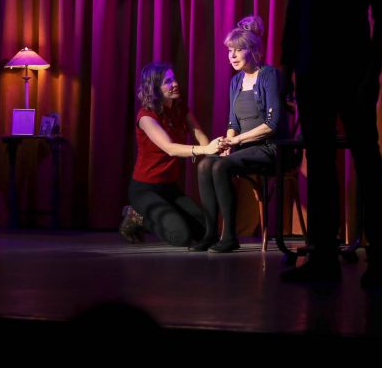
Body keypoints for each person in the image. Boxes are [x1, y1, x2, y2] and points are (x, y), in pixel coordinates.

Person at [280, 0, 382, 289]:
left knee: (366, 159)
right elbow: (294, 15)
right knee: (326, 163)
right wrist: (287, 70)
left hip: (349, 71)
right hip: (315, 72)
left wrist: (371, 72)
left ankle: (377, 258)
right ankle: (325, 256)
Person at [191, 16, 286, 253]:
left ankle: (230, 236)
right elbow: (233, 121)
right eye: (229, 50)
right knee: (205, 164)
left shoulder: (269, 75)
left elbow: (272, 124)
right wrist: (227, 144)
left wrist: (236, 140)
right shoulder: (236, 81)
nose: (232, 56)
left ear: (253, 51)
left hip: (270, 148)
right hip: (244, 148)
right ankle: (210, 233)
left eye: (238, 50)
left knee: (220, 167)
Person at [121, 62, 222, 247]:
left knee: (207, 232)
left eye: (173, 79)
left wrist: (216, 151)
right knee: (180, 237)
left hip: (169, 188)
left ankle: (175, 219)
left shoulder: (180, 108)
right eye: (168, 81)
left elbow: (200, 137)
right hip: (145, 189)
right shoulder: (146, 116)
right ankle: (136, 216)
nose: (175, 84)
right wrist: (206, 150)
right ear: (154, 88)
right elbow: (170, 148)